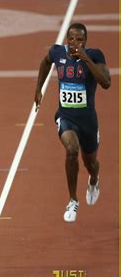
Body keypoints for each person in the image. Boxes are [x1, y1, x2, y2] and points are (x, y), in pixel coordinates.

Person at [34, 23, 111, 222]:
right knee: (71, 150)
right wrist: (38, 89)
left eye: (79, 40)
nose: (75, 43)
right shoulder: (57, 52)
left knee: (91, 163)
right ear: (67, 39)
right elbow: (45, 63)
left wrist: (86, 59)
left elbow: (106, 83)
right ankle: (72, 200)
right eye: (72, 39)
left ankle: (93, 181)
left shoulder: (95, 55)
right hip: (65, 116)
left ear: (86, 41)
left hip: (88, 122)